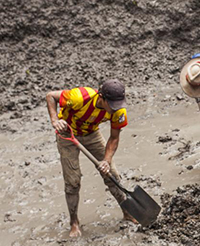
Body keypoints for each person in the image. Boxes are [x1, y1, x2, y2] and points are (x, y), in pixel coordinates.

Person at [46, 79, 136, 237]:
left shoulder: (119, 111)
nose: (116, 109)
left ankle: (127, 212)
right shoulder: (79, 97)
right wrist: (55, 120)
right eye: (112, 105)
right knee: (72, 182)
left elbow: (114, 138)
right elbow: (51, 96)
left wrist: (106, 161)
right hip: (67, 134)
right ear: (101, 97)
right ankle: (74, 222)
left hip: (91, 134)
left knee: (112, 175)